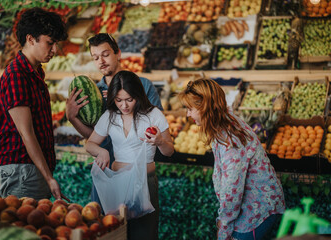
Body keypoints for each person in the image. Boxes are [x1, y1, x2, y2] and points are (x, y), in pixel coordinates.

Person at [178, 79, 285, 240]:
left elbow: (232, 190)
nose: (188, 114)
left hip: (256, 212)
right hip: (251, 207)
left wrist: (224, 227)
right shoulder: (222, 123)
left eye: (190, 109)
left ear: (204, 107)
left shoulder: (230, 139)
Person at [66, 33, 163, 203]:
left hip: (139, 174)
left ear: (117, 53)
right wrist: (72, 117)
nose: (101, 61)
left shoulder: (143, 86)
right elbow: (93, 138)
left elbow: (158, 131)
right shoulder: (93, 93)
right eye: (95, 58)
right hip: (106, 173)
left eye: (105, 55)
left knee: (140, 229)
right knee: (109, 225)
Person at [85, 70, 174, 240]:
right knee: (117, 233)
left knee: (144, 235)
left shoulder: (153, 115)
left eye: (129, 100)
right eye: (118, 100)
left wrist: (160, 141)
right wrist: (102, 151)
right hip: (118, 184)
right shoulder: (110, 116)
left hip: (145, 184)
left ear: (138, 96)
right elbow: (90, 144)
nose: (124, 106)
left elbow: (169, 151)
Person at [0, 8, 68, 201]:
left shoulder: (34, 74)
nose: (53, 50)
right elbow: (26, 134)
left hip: (31, 169)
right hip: (21, 173)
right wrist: (49, 178)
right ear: (30, 39)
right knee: (23, 230)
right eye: (49, 43)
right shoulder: (17, 75)